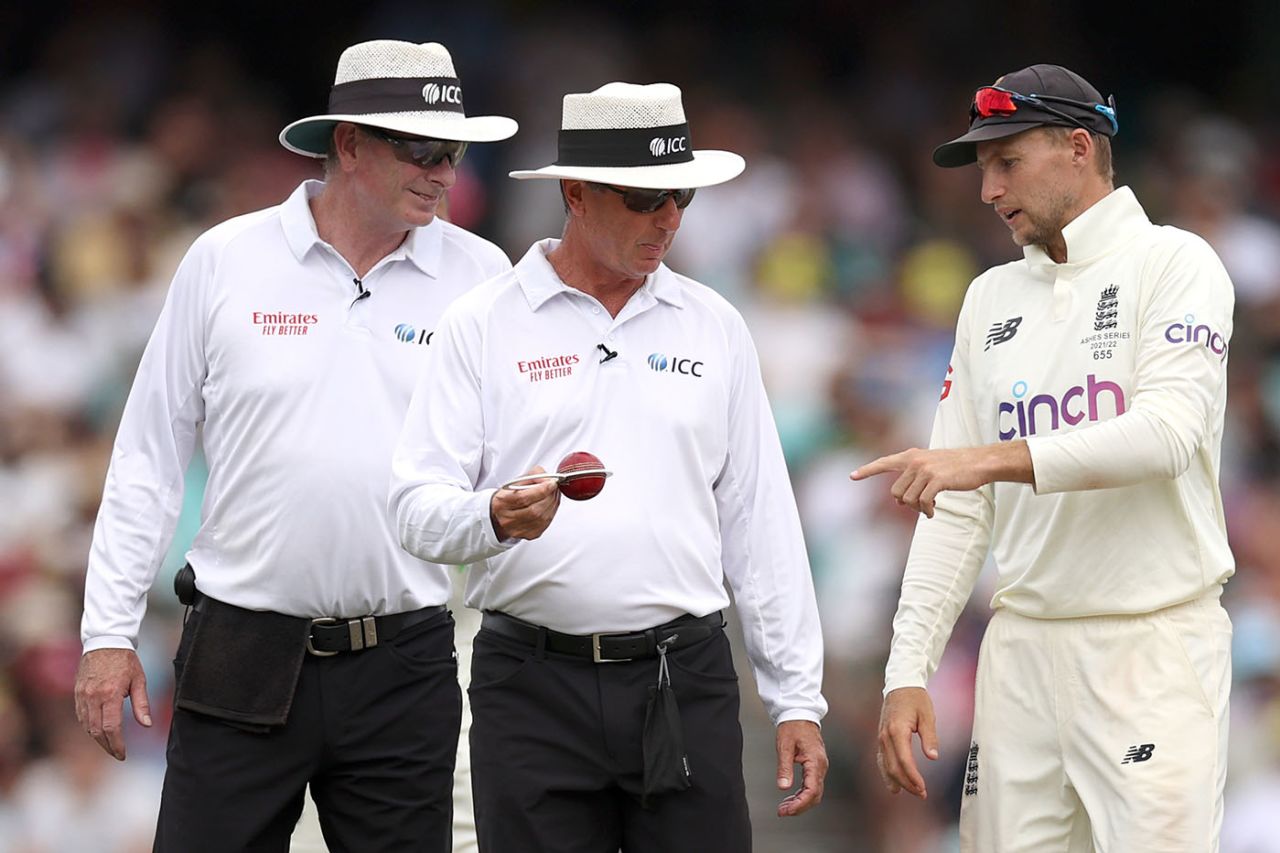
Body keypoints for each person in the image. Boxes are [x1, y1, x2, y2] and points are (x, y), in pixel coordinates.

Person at [72, 39, 517, 853]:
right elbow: (148, 455)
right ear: (348, 144)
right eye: (422, 149)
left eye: (454, 150)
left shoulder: (483, 275)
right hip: (239, 644)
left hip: (405, 656)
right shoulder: (224, 260)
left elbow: (531, 449)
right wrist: (108, 634)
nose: (445, 171)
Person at [389, 82, 828, 852]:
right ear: (576, 193)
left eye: (680, 196)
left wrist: (796, 698)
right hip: (529, 682)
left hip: (682, 674)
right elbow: (415, 508)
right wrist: (490, 517)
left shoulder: (715, 325)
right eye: (643, 197)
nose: (668, 219)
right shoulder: (482, 323)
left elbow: (760, 522)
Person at [852, 64, 1235, 851]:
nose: (988, 190)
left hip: (1151, 647)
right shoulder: (989, 297)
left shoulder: (1177, 263)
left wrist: (990, 459)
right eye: (982, 168)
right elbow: (951, 499)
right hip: (1019, 654)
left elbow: (1167, 434)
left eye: (1007, 161)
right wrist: (906, 669)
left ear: (1078, 148)